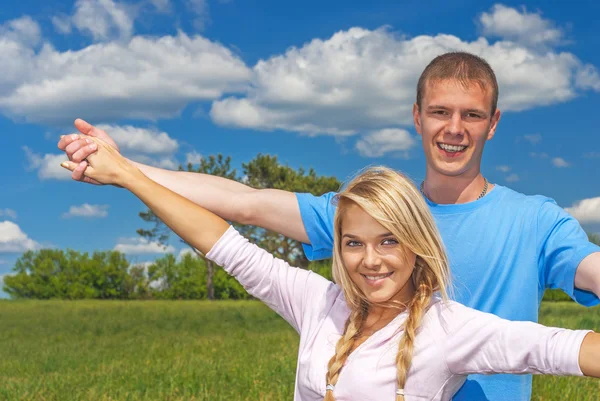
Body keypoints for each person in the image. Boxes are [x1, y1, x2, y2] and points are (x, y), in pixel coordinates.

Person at [58, 52, 600, 400]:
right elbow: (238, 208)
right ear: (417, 116)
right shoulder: (363, 213)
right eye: (439, 112)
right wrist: (124, 169)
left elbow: (571, 322)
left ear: (493, 123)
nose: (454, 129)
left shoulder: (532, 222)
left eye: (472, 115)